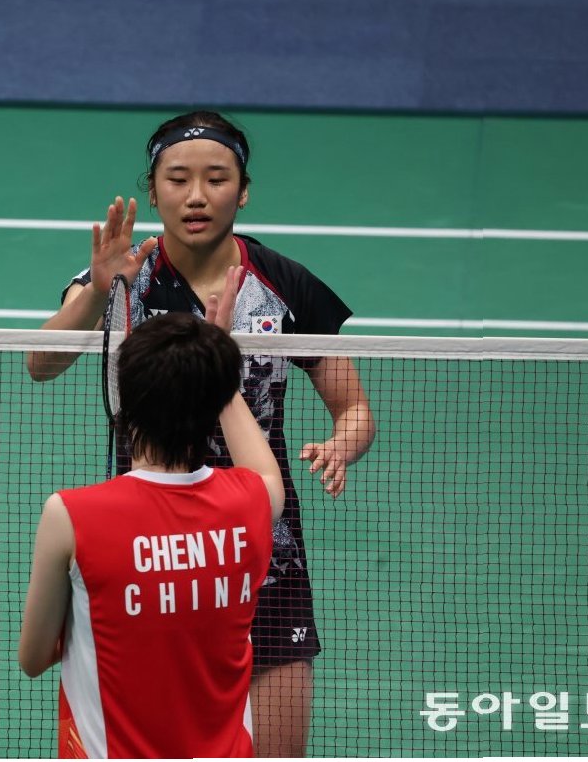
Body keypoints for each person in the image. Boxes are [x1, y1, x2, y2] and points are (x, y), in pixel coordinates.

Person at [25, 111, 377, 756]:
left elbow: (353, 408)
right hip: (146, 544)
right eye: (178, 179)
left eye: (216, 179)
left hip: (260, 541)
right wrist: (97, 292)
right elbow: (40, 363)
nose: (196, 196)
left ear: (243, 192)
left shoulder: (284, 284)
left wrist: (341, 444)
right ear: (153, 189)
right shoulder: (123, 273)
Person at [20, 294, 287, 758]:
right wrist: (215, 364)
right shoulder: (253, 502)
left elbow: (33, 658)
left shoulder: (70, 515)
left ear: (127, 401)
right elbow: (265, 470)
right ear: (214, 401)